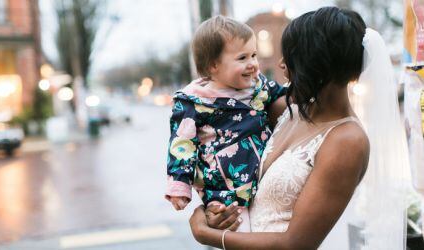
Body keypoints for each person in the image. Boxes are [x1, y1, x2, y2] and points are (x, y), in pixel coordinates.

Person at [188, 7, 405, 249]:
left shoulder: (347, 140)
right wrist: (213, 209)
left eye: (291, 57)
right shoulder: (284, 110)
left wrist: (205, 234)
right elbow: (217, 147)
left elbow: (296, 244)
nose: (281, 65)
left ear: (317, 64)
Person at [165, 15, 286, 232]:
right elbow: (182, 145)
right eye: (242, 58)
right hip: (224, 190)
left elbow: (283, 94)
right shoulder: (194, 101)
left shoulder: (258, 86)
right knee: (242, 236)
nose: (253, 64)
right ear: (213, 66)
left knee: (270, 228)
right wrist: (179, 185)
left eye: (254, 55)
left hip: (264, 178)